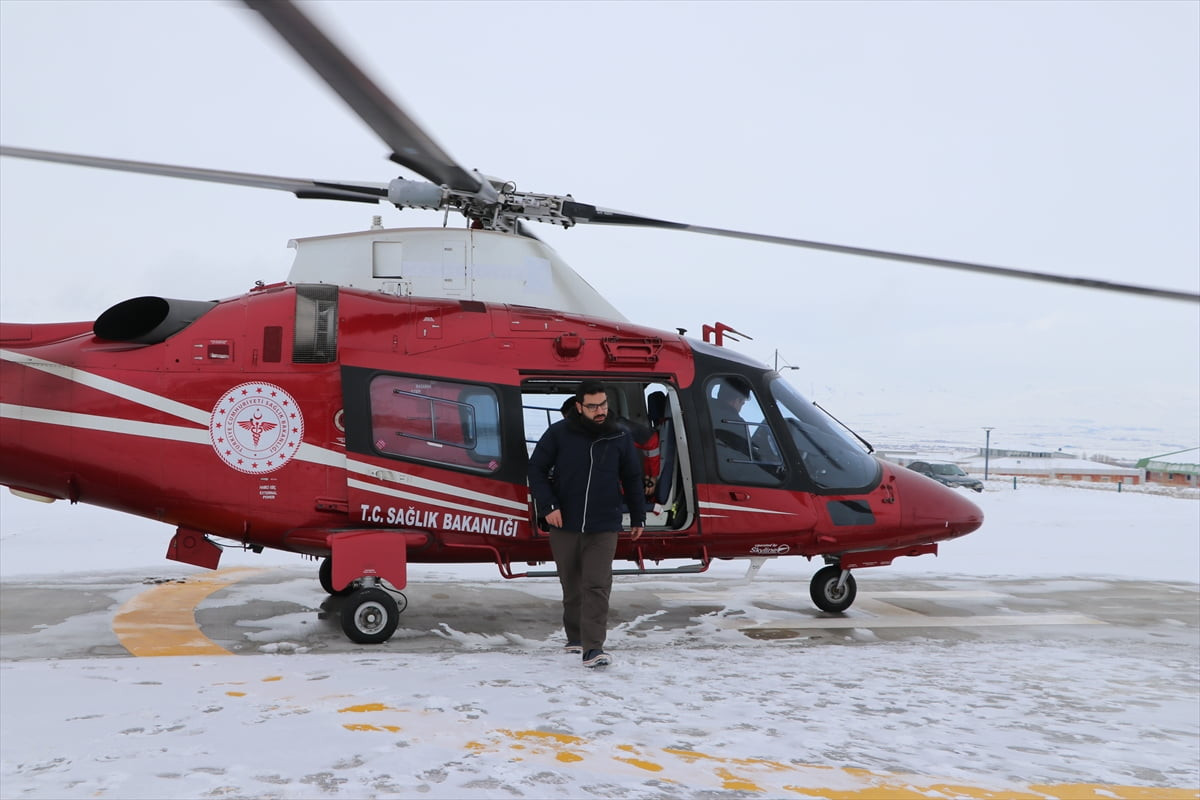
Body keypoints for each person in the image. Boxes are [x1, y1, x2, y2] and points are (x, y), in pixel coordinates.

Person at [528, 380, 646, 668]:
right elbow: (536, 469)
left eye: (603, 404)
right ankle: (575, 637)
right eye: (593, 406)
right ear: (579, 407)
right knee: (572, 585)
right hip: (564, 523)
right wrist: (548, 507)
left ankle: (594, 649)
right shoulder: (559, 433)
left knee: (596, 585)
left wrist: (638, 514)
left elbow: (632, 476)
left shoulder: (619, 435)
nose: (600, 410)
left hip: (604, 523)